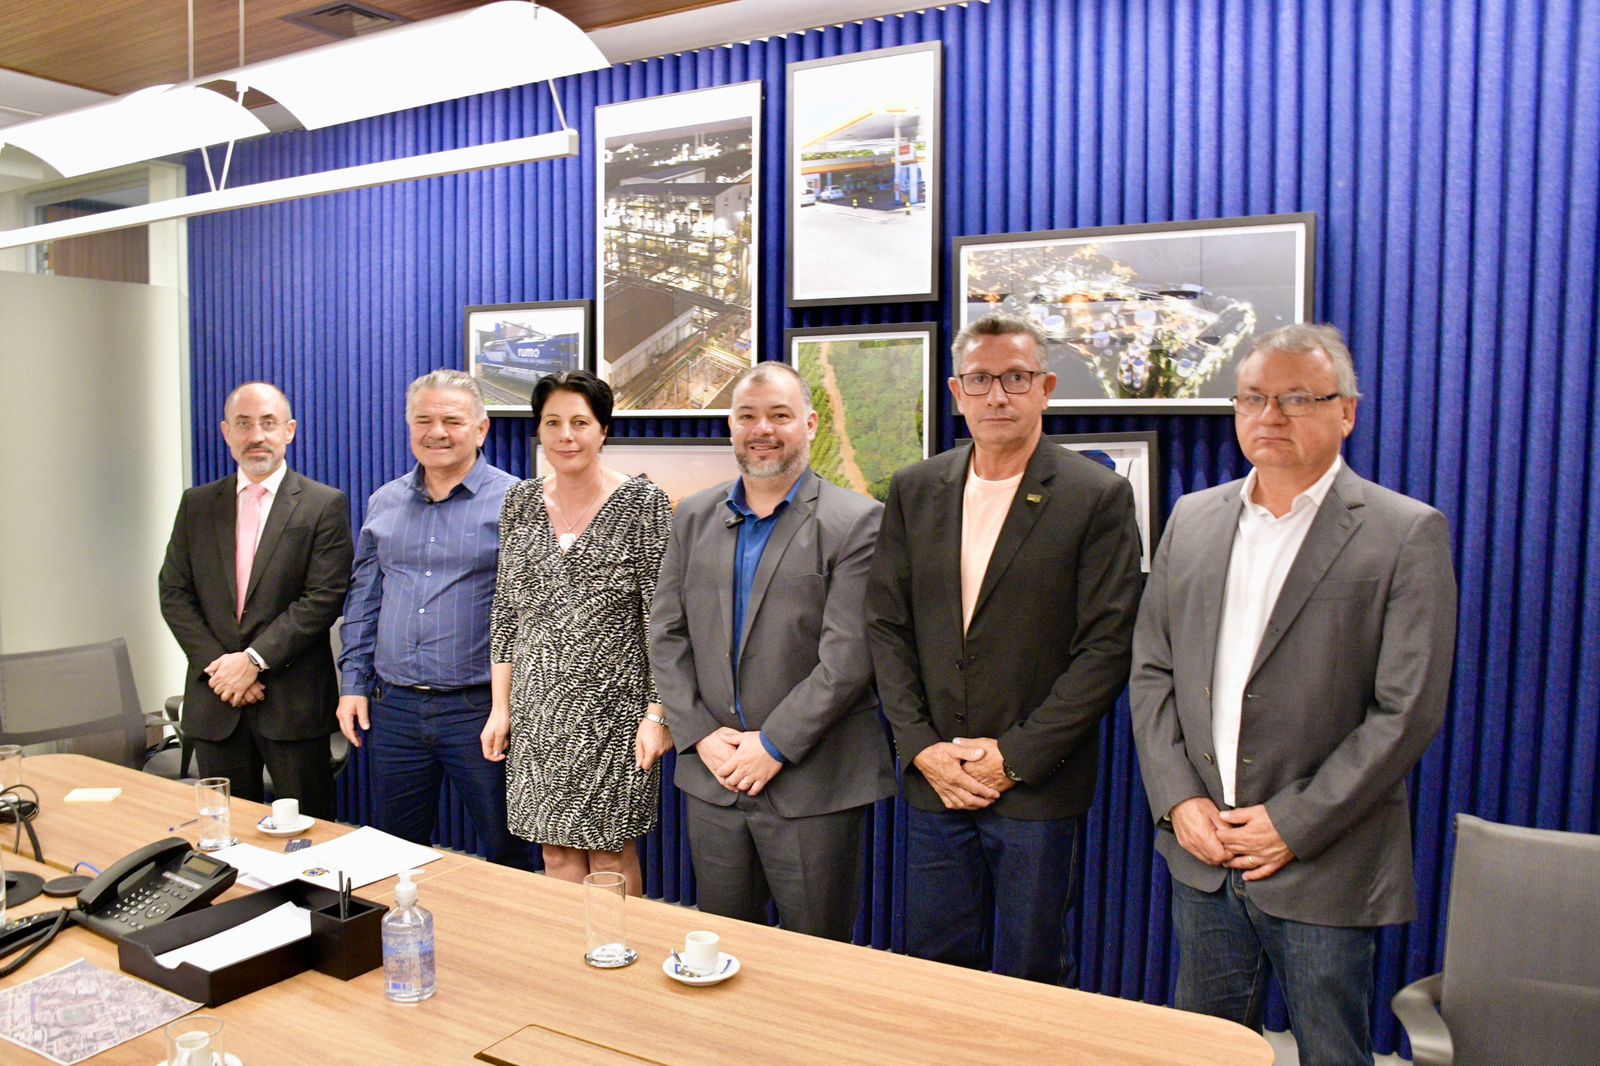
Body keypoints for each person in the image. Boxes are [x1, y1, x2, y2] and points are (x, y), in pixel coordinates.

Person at [1129, 323, 1457, 1064]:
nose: (1269, 417)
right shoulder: (1194, 517)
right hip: (1203, 852)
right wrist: (1179, 800)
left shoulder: (1405, 533)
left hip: (1325, 860)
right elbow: (1150, 669)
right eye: (1252, 398)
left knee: (1332, 1051)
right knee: (1202, 1048)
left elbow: (1407, 710)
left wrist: (1296, 822)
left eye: (1296, 399)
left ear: (1347, 411)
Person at [865, 313, 1142, 983]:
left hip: (1035, 787)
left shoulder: (1096, 495)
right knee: (936, 969)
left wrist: (1013, 758)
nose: (998, 396)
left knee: (1031, 972)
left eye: (1015, 379)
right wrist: (922, 747)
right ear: (957, 393)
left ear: (1044, 387)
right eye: (981, 380)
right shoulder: (915, 489)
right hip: (936, 780)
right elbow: (886, 628)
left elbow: (1106, 648)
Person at [650, 362, 895, 941]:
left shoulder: (857, 521)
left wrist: (773, 746)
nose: (763, 429)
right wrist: (702, 734)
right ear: (731, 427)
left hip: (813, 782)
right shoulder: (692, 516)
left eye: (780, 415)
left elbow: (848, 659)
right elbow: (666, 633)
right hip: (712, 776)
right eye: (748, 416)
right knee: (724, 948)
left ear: (810, 424)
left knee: (814, 958)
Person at [480, 371, 672, 896]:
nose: (566, 435)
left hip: (615, 714)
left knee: (610, 849)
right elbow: (506, 615)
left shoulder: (642, 505)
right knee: (555, 850)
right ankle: (573, 966)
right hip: (537, 709)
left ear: (603, 430)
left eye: (580, 422)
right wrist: (502, 708)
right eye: (553, 422)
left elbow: (664, 622)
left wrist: (658, 715)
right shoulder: (519, 503)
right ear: (538, 432)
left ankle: (614, 964)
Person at [336, 369, 533, 868]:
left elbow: (530, 614)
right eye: (424, 420)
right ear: (410, 428)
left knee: (508, 851)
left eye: (452, 420)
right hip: (394, 709)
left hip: (481, 712)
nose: (437, 432)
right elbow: (362, 601)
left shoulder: (517, 502)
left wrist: (510, 707)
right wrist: (351, 684)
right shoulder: (384, 502)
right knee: (394, 853)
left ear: (481, 429)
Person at [158, 382, 353, 818]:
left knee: (310, 841)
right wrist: (221, 668)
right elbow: (174, 593)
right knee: (224, 840)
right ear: (227, 433)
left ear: (290, 431)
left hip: (292, 706)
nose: (256, 435)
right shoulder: (197, 504)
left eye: (268, 423)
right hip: (216, 703)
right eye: (244, 424)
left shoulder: (323, 505)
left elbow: (323, 598)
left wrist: (252, 660)